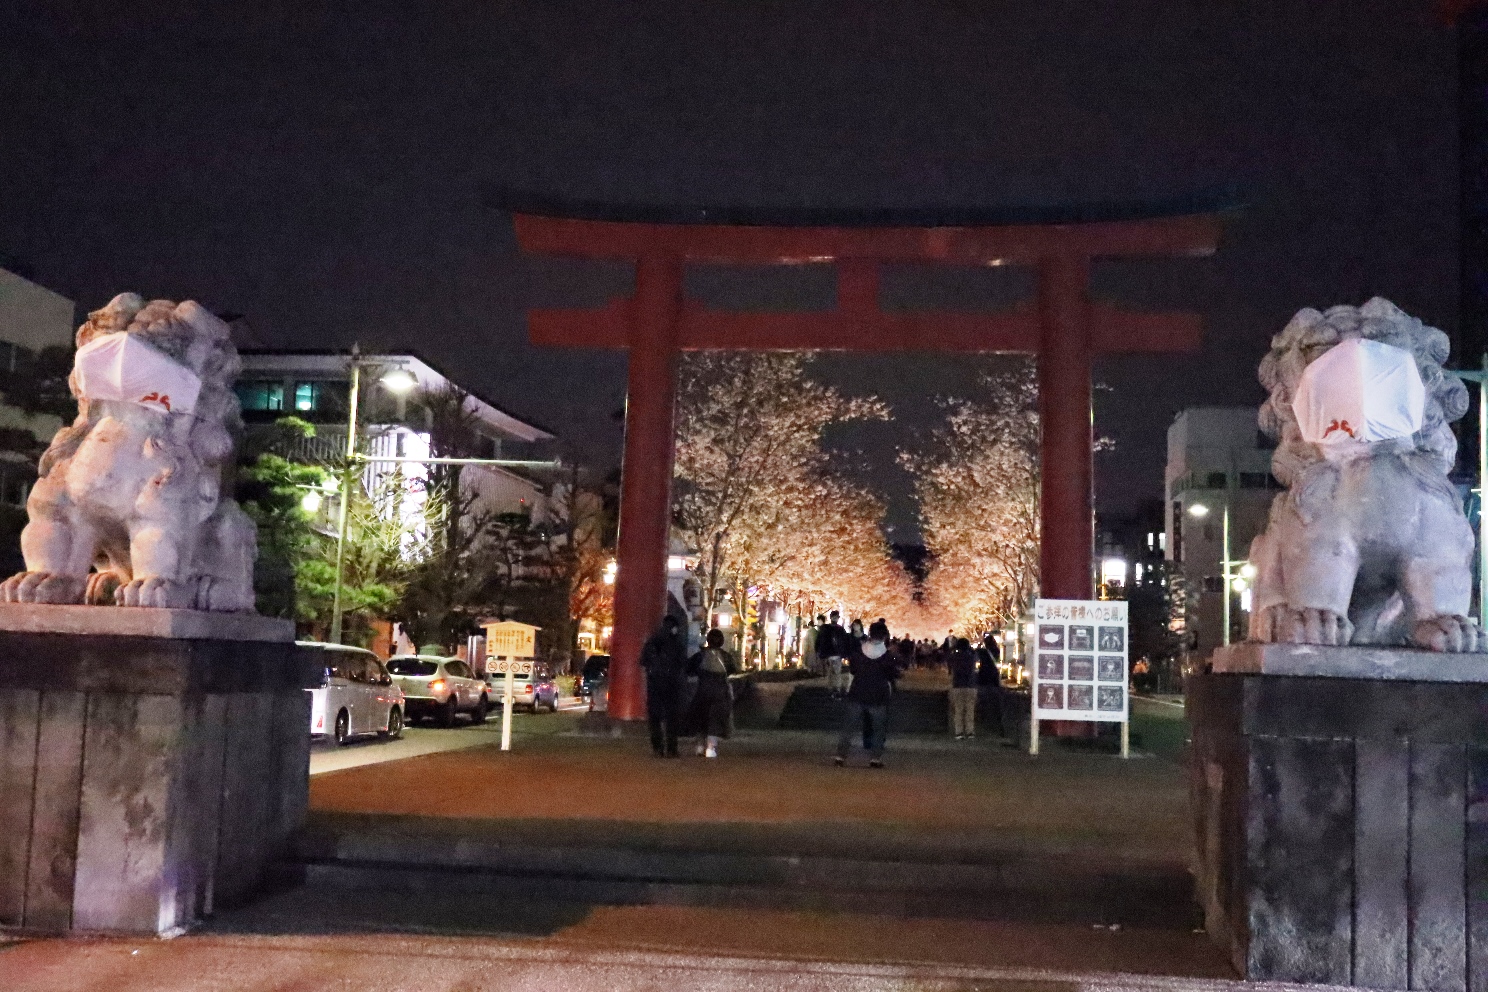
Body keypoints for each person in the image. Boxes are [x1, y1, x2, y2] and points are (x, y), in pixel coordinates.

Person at [835, 620, 900, 768]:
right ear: (884, 636)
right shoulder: (887, 656)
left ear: (870, 634)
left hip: (858, 692)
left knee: (848, 727)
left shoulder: (859, 652)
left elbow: (853, 670)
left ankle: (840, 756)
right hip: (878, 695)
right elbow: (892, 674)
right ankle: (875, 758)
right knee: (879, 728)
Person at [638, 614, 688, 757]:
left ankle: (657, 748)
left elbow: (643, 661)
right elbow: (683, 664)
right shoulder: (677, 643)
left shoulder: (652, 641)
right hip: (672, 684)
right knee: (672, 717)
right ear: (674, 627)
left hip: (654, 683)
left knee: (655, 717)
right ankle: (672, 749)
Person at [687, 628, 740, 758]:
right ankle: (711, 748)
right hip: (720, 692)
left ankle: (699, 746)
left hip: (703, 690)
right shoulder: (726, 656)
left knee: (701, 718)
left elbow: (689, 669)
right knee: (716, 719)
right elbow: (733, 670)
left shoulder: (700, 655)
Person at [947, 637, 978, 739]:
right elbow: (976, 655)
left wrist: (954, 647)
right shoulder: (972, 657)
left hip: (958, 685)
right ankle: (970, 732)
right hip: (970, 685)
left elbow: (948, 656)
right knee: (970, 710)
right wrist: (970, 648)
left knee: (958, 710)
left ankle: (959, 732)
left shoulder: (955, 657)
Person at [818, 610, 851, 697]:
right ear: (831, 617)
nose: (835, 618)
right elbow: (820, 641)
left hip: (837, 654)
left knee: (836, 673)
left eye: (836, 617)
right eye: (834, 616)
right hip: (829, 654)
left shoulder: (839, 629)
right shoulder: (826, 628)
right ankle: (831, 689)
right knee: (830, 673)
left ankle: (836, 688)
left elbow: (844, 642)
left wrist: (844, 653)